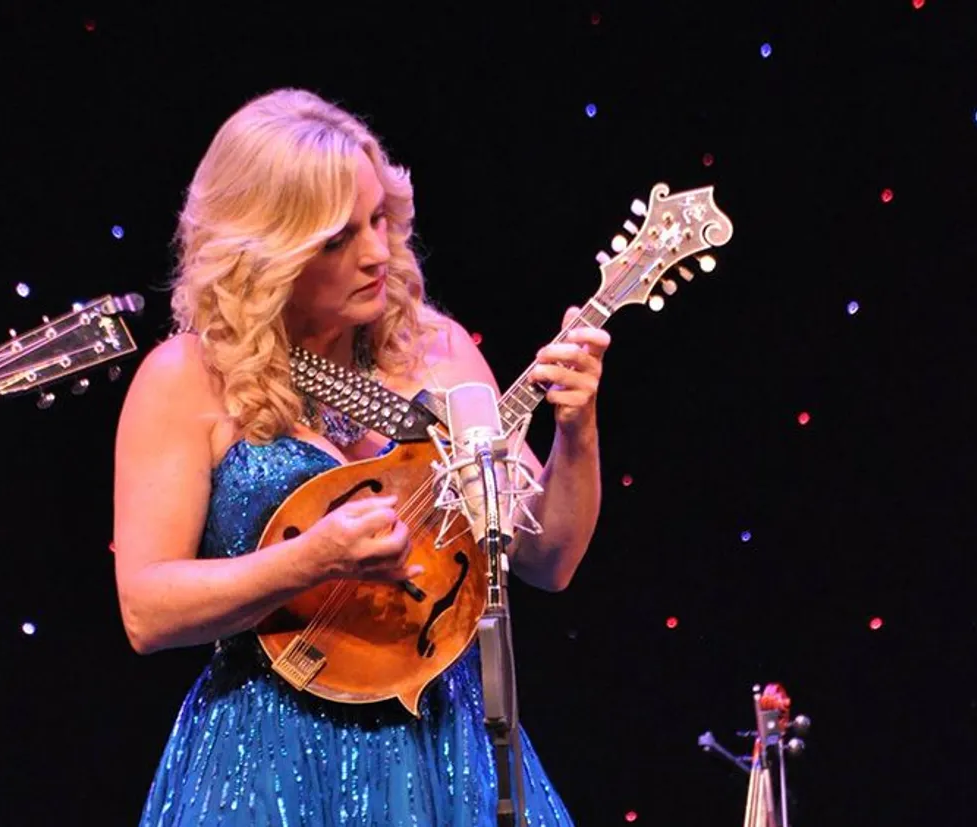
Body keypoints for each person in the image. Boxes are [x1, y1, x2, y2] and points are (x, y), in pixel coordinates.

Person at [113, 87, 610, 826]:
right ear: (264, 252)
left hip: (441, 745)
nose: (377, 252)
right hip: (265, 760)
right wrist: (310, 559)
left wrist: (579, 431)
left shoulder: (437, 353)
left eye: (380, 218)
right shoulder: (188, 379)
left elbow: (548, 557)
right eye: (337, 239)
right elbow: (146, 609)